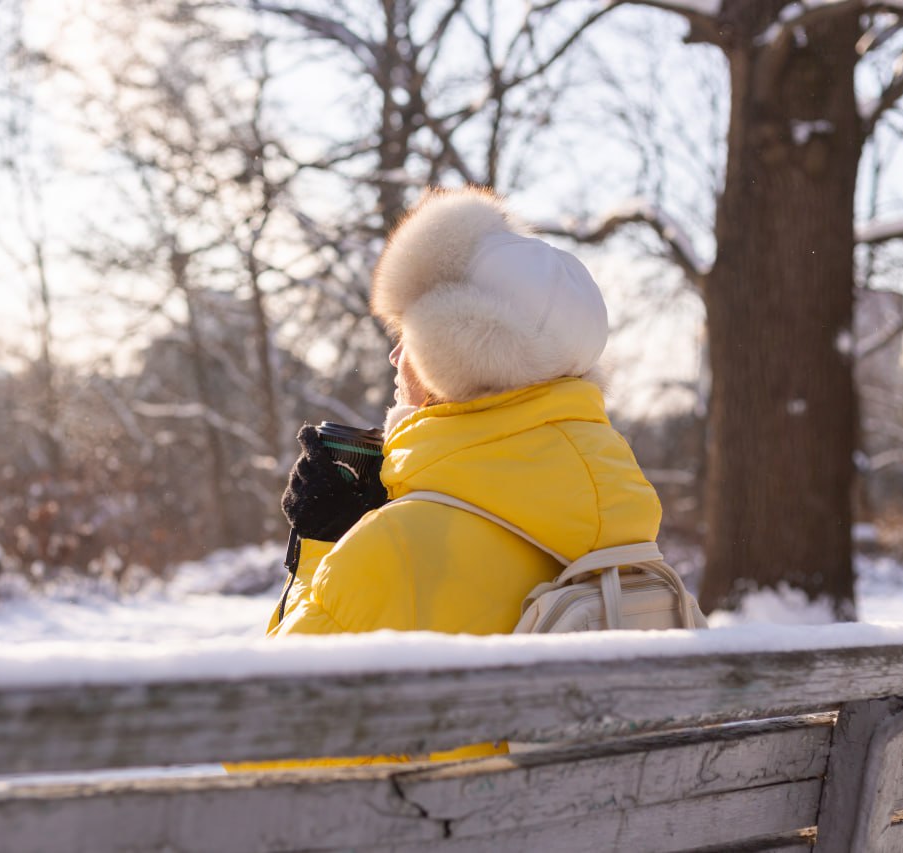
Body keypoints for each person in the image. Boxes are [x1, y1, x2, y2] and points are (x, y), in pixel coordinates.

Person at [268, 185, 662, 764]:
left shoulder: (397, 549)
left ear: (450, 357)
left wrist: (325, 546)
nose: (395, 358)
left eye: (409, 338)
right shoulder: (626, 534)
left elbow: (266, 748)